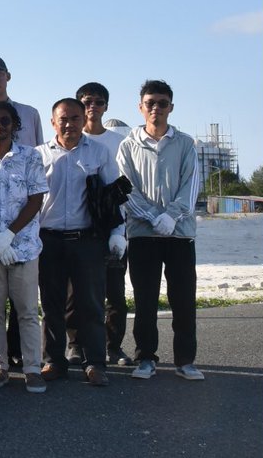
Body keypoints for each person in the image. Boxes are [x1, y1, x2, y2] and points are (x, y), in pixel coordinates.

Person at [117, 80, 203, 382]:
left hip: (180, 235)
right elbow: (126, 189)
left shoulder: (185, 144)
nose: (156, 108)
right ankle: (145, 359)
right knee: (145, 300)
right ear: (140, 107)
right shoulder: (128, 146)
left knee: (183, 300)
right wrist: (154, 217)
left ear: (171, 107)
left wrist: (172, 216)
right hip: (143, 235)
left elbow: (191, 187)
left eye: (162, 103)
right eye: (150, 103)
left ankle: (185, 361)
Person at [36, 99, 123, 388]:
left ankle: (95, 363)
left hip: (87, 240)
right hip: (48, 241)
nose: (69, 124)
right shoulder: (39, 156)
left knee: (91, 304)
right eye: (63, 119)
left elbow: (113, 197)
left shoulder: (99, 152)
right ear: (53, 122)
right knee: (51, 305)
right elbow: (32, 202)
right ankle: (54, 361)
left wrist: (117, 233)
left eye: (75, 118)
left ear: (83, 119)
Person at [0, 101, 48, 394]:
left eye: (5, 121)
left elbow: (36, 199)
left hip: (24, 247)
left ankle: (32, 368)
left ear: (15, 124)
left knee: (26, 310)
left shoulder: (30, 157)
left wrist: (10, 235)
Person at [67, 82, 134, 366]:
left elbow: (127, 188)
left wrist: (119, 230)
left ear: (106, 106)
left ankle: (113, 346)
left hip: (112, 227)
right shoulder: (68, 138)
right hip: (78, 230)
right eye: (86, 102)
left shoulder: (119, 143)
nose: (92, 107)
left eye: (97, 102)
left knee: (114, 292)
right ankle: (74, 344)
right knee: (75, 292)